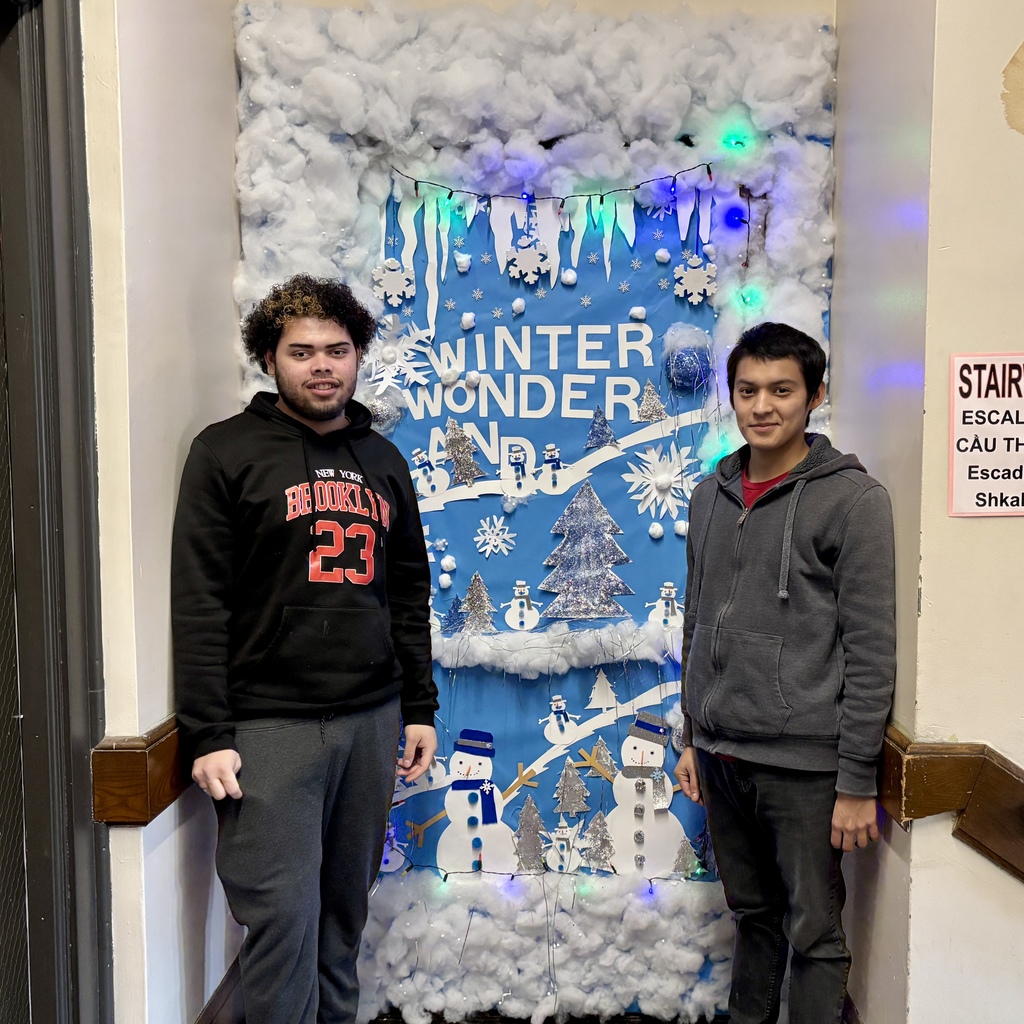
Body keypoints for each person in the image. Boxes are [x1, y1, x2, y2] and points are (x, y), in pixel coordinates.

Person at [172, 273, 438, 1024]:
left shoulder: (383, 459)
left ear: (358, 358)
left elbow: (408, 591)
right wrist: (209, 733)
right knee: (282, 918)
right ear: (269, 359)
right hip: (269, 726)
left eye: (338, 350)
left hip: (371, 718)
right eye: (302, 352)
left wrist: (418, 705)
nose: (322, 365)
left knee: (342, 916)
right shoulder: (226, 453)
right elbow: (199, 604)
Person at [673, 322, 895, 1024]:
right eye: (748, 391)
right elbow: (695, 621)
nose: (762, 406)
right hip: (720, 754)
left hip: (804, 766)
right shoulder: (709, 496)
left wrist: (858, 781)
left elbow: (870, 648)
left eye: (781, 390)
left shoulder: (854, 501)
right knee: (753, 916)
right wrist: (690, 733)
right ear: (731, 396)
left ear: (815, 397)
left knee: (815, 933)